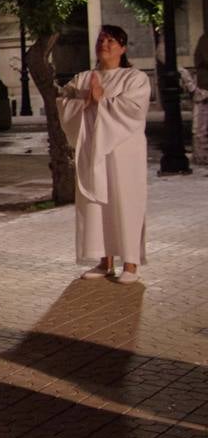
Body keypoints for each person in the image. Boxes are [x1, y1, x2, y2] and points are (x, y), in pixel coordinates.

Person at [57, 25, 151, 284]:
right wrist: (86, 98)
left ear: (122, 47)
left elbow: (133, 109)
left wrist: (101, 100)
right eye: (101, 40)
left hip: (124, 153)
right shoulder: (84, 78)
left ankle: (130, 264)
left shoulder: (134, 78)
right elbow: (63, 101)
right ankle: (104, 261)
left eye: (111, 40)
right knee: (97, 204)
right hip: (92, 151)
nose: (105, 44)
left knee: (125, 202)